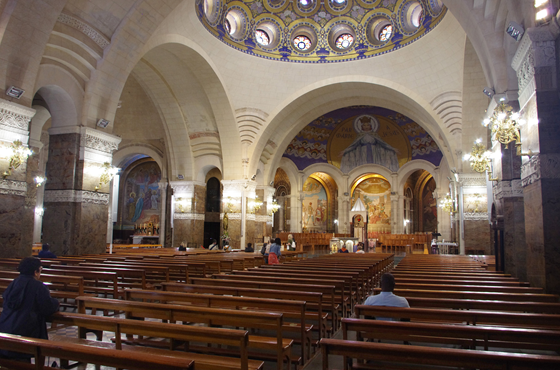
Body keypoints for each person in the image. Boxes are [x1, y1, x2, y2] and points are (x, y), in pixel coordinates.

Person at [0, 257, 59, 360]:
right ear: (36, 271)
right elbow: (47, 308)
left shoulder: (14, 283)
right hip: (26, 331)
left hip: (6, 326)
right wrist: (56, 303)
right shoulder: (38, 286)